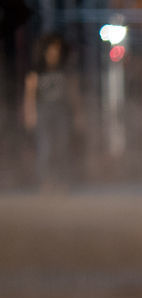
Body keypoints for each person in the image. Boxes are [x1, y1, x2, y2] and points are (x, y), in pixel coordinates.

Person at [23, 33, 81, 191]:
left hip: (62, 111)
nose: (54, 53)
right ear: (45, 51)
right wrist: (29, 114)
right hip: (43, 111)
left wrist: (78, 114)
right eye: (51, 50)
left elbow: (73, 93)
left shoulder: (66, 70)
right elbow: (30, 94)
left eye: (57, 50)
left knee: (62, 147)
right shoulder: (36, 70)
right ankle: (46, 182)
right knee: (45, 147)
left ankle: (62, 181)